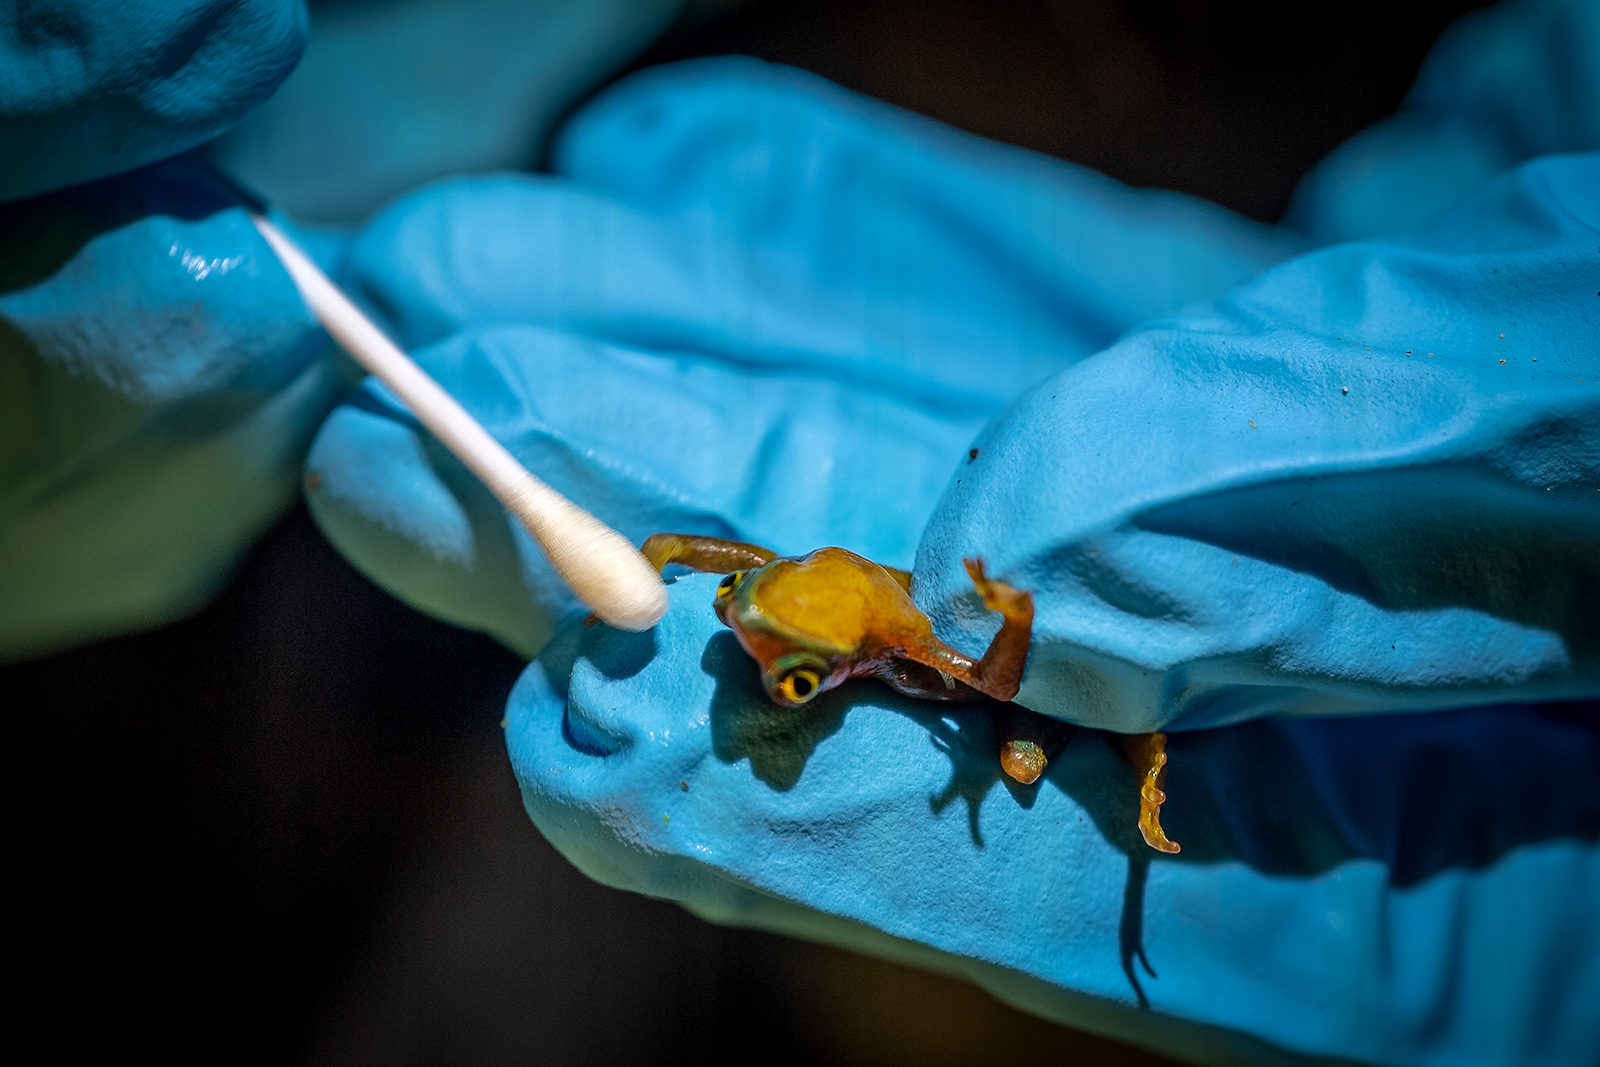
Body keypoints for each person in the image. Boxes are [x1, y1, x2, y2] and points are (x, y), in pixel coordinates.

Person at [3, 1, 1596, 1063]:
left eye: (788, 669)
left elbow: (1015, 678)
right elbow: (755, 587)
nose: (766, 673)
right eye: (782, 665)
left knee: (1062, 743)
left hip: (1152, 249)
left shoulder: (972, 639)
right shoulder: (778, 604)